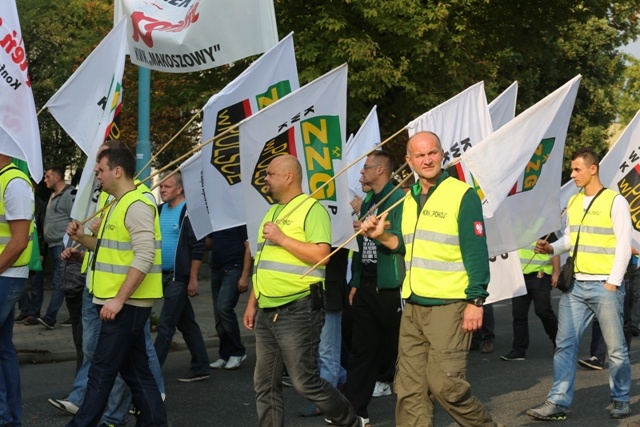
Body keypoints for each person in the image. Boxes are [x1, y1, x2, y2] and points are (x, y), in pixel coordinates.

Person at [360, 131, 496, 426]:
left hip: (450, 305)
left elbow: (476, 250)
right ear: (409, 161)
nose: (427, 159)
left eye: (432, 153)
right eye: (419, 155)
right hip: (413, 305)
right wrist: (382, 236)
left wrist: (476, 299)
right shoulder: (407, 200)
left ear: (442, 154)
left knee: (446, 386)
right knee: (409, 390)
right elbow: (406, 245)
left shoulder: (463, 194)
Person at [242, 155, 363, 427]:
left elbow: (323, 255)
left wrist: (282, 238)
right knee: (264, 383)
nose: (265, 179)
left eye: (270, 173)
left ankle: (350, 421)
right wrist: (252, 302)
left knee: (304, 381)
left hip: (298, 308)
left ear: (288, 176)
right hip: (267, 309)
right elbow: (262, 262)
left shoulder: (312, 210)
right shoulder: (272, 212)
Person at [527, 147, 632, 421]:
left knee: (616, 349)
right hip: (575, 287)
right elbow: (571, 240)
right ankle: (558, 402)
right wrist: (551, 248)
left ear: (593, 168)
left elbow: (624, 245)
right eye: (572, 170)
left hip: (604, 286)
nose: (572, 175)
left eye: (577, 170)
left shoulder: (615, 202)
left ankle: (621, 399)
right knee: (565, 345)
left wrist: (612, 283)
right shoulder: (574, 202)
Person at [65, 146, 167, 426]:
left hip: (126, 305)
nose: (97, 176)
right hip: (117, 303)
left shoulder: (136, 205)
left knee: (101, 372)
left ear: (117, 171)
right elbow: (106, 248)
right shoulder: (117, 204)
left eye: (100, 171)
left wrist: (119, 299)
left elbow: (144, 255)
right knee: (137, 374)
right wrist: (82, 239)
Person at [343, 150, 405, 424]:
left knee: (400, 350)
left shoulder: (399, 200)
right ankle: (356, 412)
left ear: (381, 170)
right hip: (367, 284)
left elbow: (402, 239)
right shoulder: (368, 199)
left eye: (366, 167)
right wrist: (355, 281)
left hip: (391, 287)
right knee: (362, 349)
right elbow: (359, 246)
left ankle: (415, 404)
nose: (361, 172)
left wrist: (379, 233)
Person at [154, 171, 211, 381]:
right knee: (186, 323)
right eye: (161, 187)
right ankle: (201, 365)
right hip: (163, 275)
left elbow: (198, 248)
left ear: (179, 189)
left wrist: (193, 278)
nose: (162, 190)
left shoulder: (188, 212)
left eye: (167, 187)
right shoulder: (159, 210)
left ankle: (151, 370)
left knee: (165, 324)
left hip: (179, 277)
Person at [0, 155, 34, 427]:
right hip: (6, 276)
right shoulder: (6, 180)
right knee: (3, 349)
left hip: (7, 276)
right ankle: (10, 419)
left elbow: (19, 241)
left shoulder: (15, 183)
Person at [500, 240, 559, 361]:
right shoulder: (514, 229)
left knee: (543, 311)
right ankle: (518, 350)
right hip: (519, 276)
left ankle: (559, 343)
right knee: (518, 314)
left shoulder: (543, 226)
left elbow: (555, 250)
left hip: (540, 274)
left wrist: (556, 272)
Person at [207, 225, 250, 370]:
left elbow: (248, 247)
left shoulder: (238, 220)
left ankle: (238, 351)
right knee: (218, 315)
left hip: (233, 268)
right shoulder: (215, 219)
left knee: (224, 308)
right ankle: (224, 355)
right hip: (216, 269)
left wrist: (245, 276)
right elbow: (210, 243)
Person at [39, 166, 75, 329]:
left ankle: (50, 317)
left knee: (60, 280)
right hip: (54, 244)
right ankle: (75, 315)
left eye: (47, 176)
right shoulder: (53, 195)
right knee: (63, 280)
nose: (45, 179)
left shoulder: (69, 194)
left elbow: (74, 218)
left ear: (57, 178)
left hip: (63, 244)